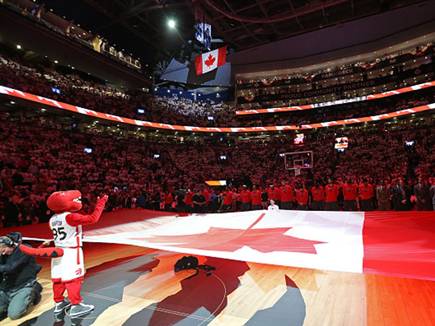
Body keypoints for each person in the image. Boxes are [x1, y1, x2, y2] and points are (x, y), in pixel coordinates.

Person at [46, 190, 108, 320]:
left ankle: (59, 303)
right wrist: (101, 203)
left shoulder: (52, 219)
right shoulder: (70, 217)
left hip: (58, 251)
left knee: (58, 278)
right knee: (74, 278)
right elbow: (93, 219)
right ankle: (76, 305)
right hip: (71, 251)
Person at [0, 233, 42, 320]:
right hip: (7, 288)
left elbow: (10, 268)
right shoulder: (2, 254)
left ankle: (35, 290)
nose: (3, 254)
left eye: (4, 250)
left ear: (10, 245)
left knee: (14, 314)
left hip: (23, 286)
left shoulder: (25, 249)